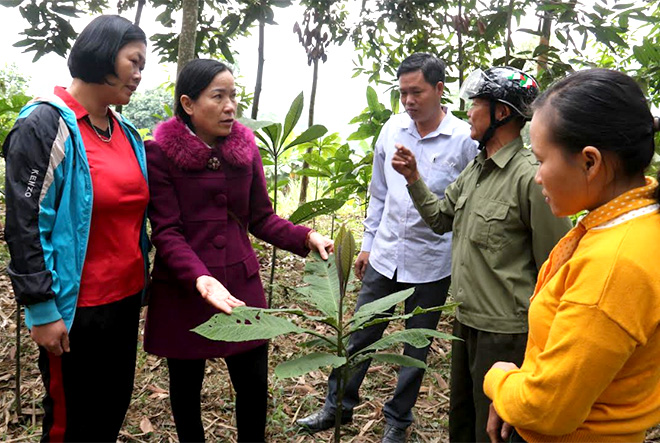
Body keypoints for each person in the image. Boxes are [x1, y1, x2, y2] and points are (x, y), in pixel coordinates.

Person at [143, 58, 333, 443]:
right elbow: (167, 231)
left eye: (233, 96)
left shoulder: (245, 149)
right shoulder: (160, 154)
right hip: (185, 286)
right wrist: (199, 276)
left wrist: (305, 236)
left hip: (240, 284)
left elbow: (261, 218)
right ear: (188, 103)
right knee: (185, 388)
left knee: (252, 386)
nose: (230, 106)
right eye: (218, 96)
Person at [297, 53, 478, 443]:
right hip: (385, 255)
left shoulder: (464, 140)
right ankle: (337, 404)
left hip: (433, 260)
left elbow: (469, 204)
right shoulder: (393, 128)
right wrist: (367, 244)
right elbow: (378, 192)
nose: (409, 101)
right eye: (403, 93)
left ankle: (398, 418)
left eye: (417, 92)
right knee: (362, 332)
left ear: (439, 89)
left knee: (416, 346)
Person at [392, 66, 572, 442]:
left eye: (476, 104)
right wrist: (413, 179)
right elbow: (441, 219)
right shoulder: (477, 169)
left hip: (506, 331)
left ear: (501, 113)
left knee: (493, 430)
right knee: (463, 418)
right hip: (467, 321)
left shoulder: (529, 178)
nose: (469, 112)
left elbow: (556, 268)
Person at [483, 69, 660, 442]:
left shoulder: (612, 266)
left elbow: (546, 409)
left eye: (541, 159)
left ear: (590, 162)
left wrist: (499, 378)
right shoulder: (636, 224)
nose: (537, 176)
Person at [3, 15, 149, 442]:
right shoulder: (45, 125)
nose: (139, 75)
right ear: (102, 55)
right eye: (134, 62)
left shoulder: (125, 132)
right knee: (71, 422)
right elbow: (25, 223)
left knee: (112, 407)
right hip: (73, 308)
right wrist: (41, 307)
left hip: (122, 302)